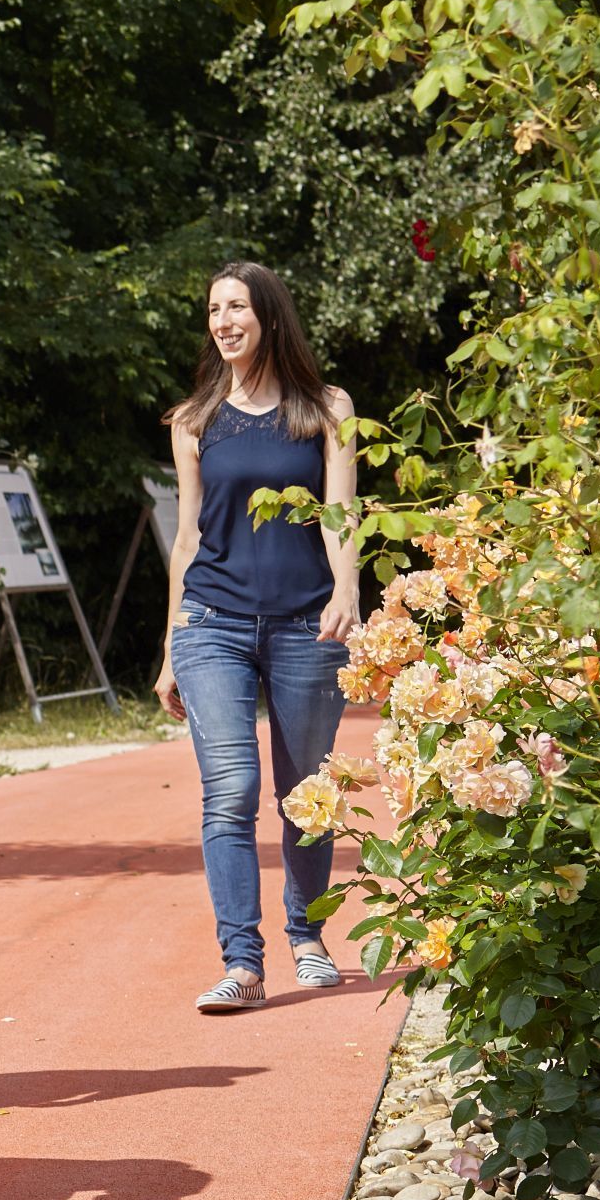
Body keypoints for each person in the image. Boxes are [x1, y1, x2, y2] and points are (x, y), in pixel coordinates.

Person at [152, 261, 360, 1014]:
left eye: (236, 306)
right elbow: (185, 540)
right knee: (231, 789)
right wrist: (170, 643)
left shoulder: (328, 408)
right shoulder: (193, 420)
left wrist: (348, 592)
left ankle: (308, 935)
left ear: (269, 314)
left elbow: (343, 516)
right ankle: (243, 960)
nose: (223, 321)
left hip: (310, 623)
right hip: (213, 622)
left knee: (306, 794)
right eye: (213, 309)